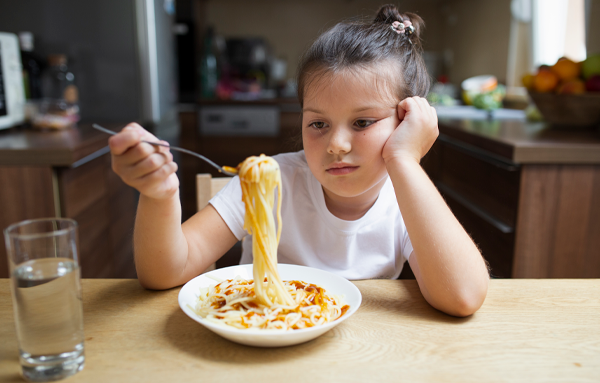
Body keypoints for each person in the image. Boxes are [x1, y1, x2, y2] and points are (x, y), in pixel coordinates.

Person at [108, 4, 489, 317]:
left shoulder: (406, 198)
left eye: (362, 122)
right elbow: (164, 272)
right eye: (318, 123)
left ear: (407, 120)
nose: (336, 144)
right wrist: (159, 194)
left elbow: (463, 296)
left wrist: (405, 160)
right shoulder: (272, 180)